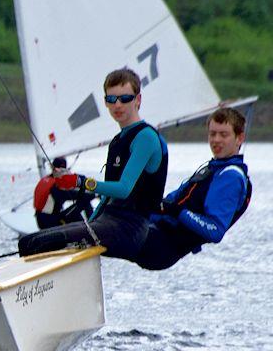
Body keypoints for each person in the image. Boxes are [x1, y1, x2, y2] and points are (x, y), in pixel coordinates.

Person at [18, 68, 168, 262]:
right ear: (106, 102)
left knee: (41, 243)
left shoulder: (145, 137)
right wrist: (91, 222)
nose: (118, 105)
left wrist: (80, 182)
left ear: (138, 100)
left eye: (125, 98)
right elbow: (107, 198)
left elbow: (123, 189)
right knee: (28, 242)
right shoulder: (117, 141)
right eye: (112, 100)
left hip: (131, 228)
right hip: (108, 221)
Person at [134, 108, 252, 270]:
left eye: (223, 135)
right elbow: (170, 201)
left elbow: (215, 230)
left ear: (240, 138)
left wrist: (178, 211)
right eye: (212, 134)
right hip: (153, 230)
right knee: (116, 211)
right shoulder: (212, 169)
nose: (216, 140)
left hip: (161, 247)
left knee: (104, 232)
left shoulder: (231, 176)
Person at [34, 156, 94, 229]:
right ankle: (93, 226)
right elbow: (74, 195)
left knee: (76, 209)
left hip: (41, 221)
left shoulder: (46, 180)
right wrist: (95, 194)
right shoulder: (56, 187)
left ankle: (86, 227)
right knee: (84, 201)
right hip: (51, 224)